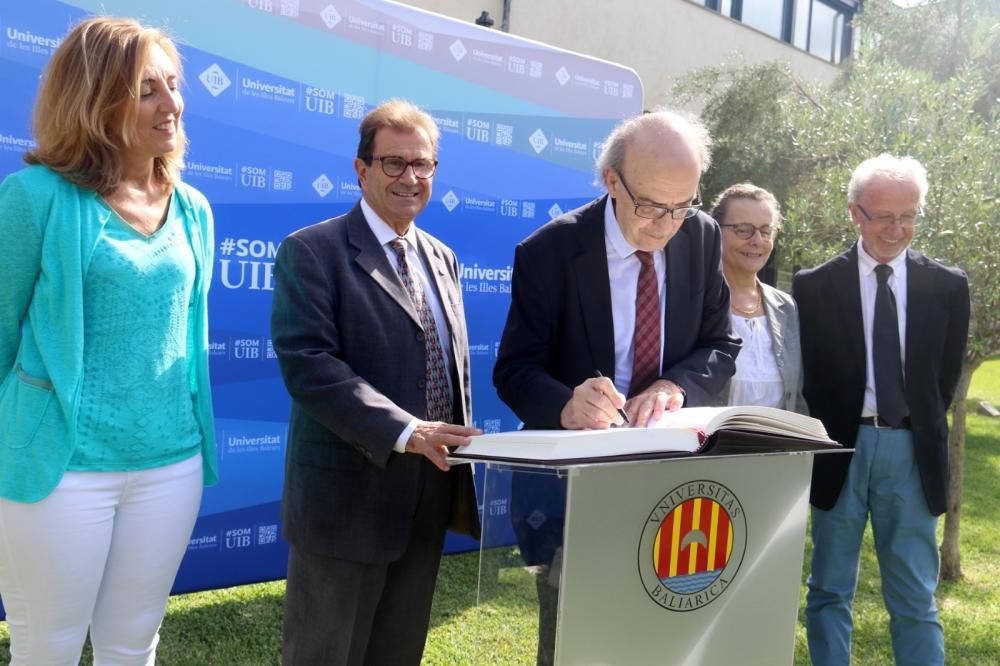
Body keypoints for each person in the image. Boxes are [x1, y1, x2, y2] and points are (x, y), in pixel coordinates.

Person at [0, 17, 218, 664]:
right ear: (96, 99)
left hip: (170, 464)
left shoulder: (194, 208)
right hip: (59, 467)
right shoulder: (33, 197)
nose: (171, 103)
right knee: (50, 646)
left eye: (173, 85)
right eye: (147, 88)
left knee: (133, 643)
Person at [492, 108, 739, 664]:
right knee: (575, 640)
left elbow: (721, 345)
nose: (666, 223)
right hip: (576, 489)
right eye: (651, 206)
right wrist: (566, 404)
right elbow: (513, 370)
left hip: (674, 481)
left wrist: (676, 386)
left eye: (682, 205)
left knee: (660, 636)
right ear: (611, 181)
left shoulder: (700, 237)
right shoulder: (550, 253)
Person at [270, 99, 481, 665]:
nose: (410, 177)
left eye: (423, 164)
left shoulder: (443, 257)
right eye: (393, 163)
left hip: (427, 496)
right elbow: (309, 364)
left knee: (397, 653)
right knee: (325, 656)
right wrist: (407, 430)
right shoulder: (312, 251)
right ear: (361, 170)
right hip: (345, 504)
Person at [793, 154, 970, 666]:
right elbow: (811, 375)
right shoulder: (814, 285)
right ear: (855, 213)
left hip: (911, 450)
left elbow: (944, 380)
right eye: (884, 216)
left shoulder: (948, 285)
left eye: (908, 215)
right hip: (839, 448)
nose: (897, 229)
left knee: (915, 595)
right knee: (828, 588)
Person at [710, 183, 804, 412]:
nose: (757, 241)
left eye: (766, 230)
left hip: (775, 445)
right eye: (743, 229)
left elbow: (796, 398)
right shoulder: (695, 302)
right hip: (709, 445)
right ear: (715, 231)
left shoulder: (785, 307)